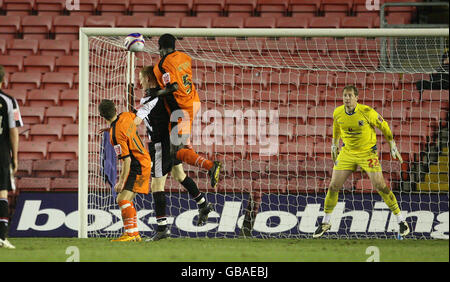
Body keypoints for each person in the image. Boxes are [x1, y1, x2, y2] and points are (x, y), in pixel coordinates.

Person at [313, 85, 410, 238]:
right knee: (333, 186)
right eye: (345, 95)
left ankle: (401, 221)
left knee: (380, 186)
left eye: (350, 95)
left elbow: (383, 125)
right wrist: (334, 143)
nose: (347, 98)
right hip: (347, 152)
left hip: (367, 153)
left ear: (356, 98)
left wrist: (392, 143)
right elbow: (337, 127)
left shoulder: (366, 112)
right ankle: (325, 222)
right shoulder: (338, 112)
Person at [134, 66, 214, 240]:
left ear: (149, 79)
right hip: (172, 141)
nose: (139, 81)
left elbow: (137, 122)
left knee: (156, 186)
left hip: (160, 145)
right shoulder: (164, 96)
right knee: (179, 175)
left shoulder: (150, 98)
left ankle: (162, 229)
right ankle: (203, 204)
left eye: (141, 77)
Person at [151, 33, 222, 189]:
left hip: (181, 109)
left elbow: (173, 87)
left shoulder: (162, 65)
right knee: (179, 143)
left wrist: (156, 93)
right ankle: (188, 144)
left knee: (176, 152)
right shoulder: (185, 57)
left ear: (160, 48)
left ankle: (211, 165)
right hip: (194, 101)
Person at [98, 99, 151, 242]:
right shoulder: (126, 116)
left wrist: (121, 181)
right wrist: (112, 129)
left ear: (102, 115)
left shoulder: (115, 136)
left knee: (122, 199)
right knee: (127, 200)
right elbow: (130, 126)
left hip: (137, 165)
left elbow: (126, 160)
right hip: (144, 161)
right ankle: (134, 234)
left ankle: (131, 234)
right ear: (115, 109)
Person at [0, 65, 23, 249]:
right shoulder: (8, 101)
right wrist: (15, 157)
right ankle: (1, 236)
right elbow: (14, 131)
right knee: (2, 192)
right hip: (1, 151)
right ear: (3, 80)